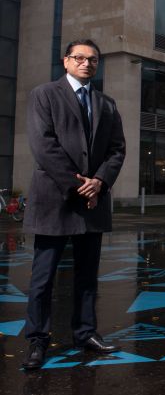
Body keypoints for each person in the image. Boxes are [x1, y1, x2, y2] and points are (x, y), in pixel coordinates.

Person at [21, 38, 126, 370]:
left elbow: (117, 149)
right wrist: (79, 185)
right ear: (65, 61)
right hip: (55, 199)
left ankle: (85, 333)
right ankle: (38, 340)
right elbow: (43, 145)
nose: (86, 63)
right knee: (43, 277)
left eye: (93, 59)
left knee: (87, 276)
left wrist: (100, 182)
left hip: (93, 202)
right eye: (79, 57)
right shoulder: (44, 95)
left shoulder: (107, 103)